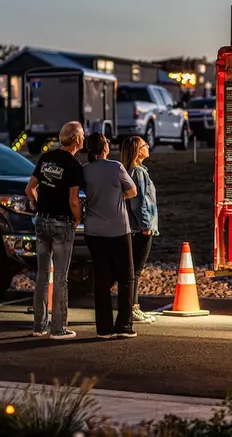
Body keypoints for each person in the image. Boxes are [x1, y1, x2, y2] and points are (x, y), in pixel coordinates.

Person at [24, 121, 85, 340]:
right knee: (60, 277)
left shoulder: (45, 158)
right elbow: (73, 200)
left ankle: (39, 326)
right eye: (83, 136)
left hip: (41, 221)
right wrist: (77, 218)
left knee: (42, 274)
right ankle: (58, 328)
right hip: (61, 223)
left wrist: (37, 204)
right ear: (76, 139)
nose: (84, 139)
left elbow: (30, 188)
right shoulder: (73, 165)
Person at [83, 132, 138, 339]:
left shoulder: (85, 170)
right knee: (127, 278)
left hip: (94, 231)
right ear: (104, 148)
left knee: (102, 280)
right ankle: (124, 325)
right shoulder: (116, 167)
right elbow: (132, 191)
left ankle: (103, 328)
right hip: (118, 229)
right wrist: (118, 195)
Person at [120, 136, 159, 324]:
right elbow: (139, 202)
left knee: (134, 270)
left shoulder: (136, 171)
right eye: (144, 145)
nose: (148, 147)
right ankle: (132, 308)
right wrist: (146, 227)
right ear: (137, 150)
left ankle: (132, 307)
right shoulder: (137, 172)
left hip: (137, 228)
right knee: (135, 270)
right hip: (140, 229)